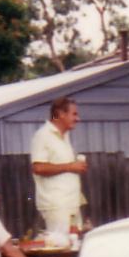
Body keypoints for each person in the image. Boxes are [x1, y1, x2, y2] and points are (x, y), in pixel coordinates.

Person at [30, 96, 87, 234]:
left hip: (71, 203)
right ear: (61, 114)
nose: (78, 119)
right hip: (57, 206)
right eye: (74, 114)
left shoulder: (64, 136)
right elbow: (38, 167)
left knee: (72, 245)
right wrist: (70, 166)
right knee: (60, 248)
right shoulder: (43, 135)